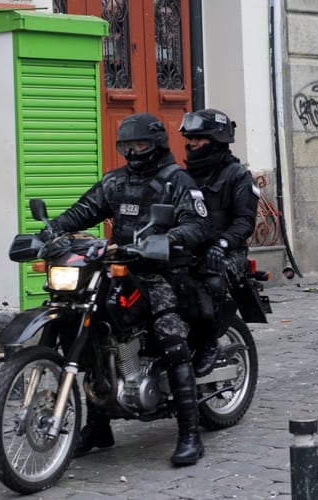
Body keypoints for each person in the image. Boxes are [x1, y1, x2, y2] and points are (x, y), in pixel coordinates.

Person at [45, 113, 209, 466]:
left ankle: (190, 433)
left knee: (171, 339)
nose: (133, 152)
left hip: (159, 271)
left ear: (157, 145)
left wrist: (167, 239)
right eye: (126, 146)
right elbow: (83, 210)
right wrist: (50, 230)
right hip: (117, 268)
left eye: (140, 145)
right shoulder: (116, 182)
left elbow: (197, 225)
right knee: (92, 333)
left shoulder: (176, 181)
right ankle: (99, 427)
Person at [179, 109, 260, 377]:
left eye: (198, 139)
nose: (191, 144)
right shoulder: (182, 176)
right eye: (189, 139)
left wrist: (222, 244)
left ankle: (208, 343)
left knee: (205, 284)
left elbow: (244, 221)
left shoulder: (237, 175)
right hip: (186, 251)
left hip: (226, 253)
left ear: (216, 140)